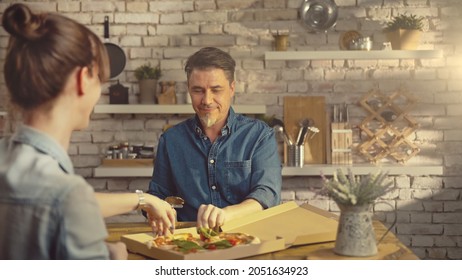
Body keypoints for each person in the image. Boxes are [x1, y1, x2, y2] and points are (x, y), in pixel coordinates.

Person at [0, 3, 175, 260]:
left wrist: (144, 199)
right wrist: (114, 259)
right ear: (82, 80)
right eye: (100, 80)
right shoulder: (67, 196)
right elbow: (66, 203)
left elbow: (58, 203)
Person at [148, 47, 282, 229]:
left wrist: (226, 214)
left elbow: (267, 194)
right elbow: (158, 195)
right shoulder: (171, 140)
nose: (207, 100)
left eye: (216, 90)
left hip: (248, 237)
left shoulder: (259, 136)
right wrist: (153, 206)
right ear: (189, 90)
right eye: (198, 90)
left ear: (232, 88)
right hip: (190, 241)